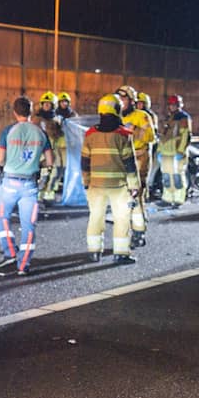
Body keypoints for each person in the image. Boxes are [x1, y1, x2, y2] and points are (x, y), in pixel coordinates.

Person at [0, 96, 53, 275]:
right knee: (29, 226)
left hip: (10, 183)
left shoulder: (8, 131)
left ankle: (10, 252)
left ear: (14, 112)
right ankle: (23, 265)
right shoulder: (40, 133)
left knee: (2, 216)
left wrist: (11, 162)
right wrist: (35, 164)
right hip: (30, 186)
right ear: (31, 111)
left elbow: (0, 159)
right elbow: (49, 161)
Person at [82, 94, 139, 265]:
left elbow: (84, 161)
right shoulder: (123, 135)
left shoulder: (90, 134)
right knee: (121, 218)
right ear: (117, 110)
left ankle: (94, 252)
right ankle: (120, 253)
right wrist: (134, 186)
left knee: (96, 217)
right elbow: (130, 164)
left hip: (95, 185)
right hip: (118, 186)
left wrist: (86, 181)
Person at [118, 85, 153, 247]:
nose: (121, 102)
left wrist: (134, 130)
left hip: (139, 157)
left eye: (124, 99)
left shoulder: (141, 116)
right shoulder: (115, 117)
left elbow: (150, 136)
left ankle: (139, 232)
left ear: (131, 101)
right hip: (121, 160)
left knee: (135, 195)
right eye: (119, 99)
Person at [159, 94, 192, 207]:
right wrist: (159, 151)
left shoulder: (183, 118)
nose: (172, 107)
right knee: (167, 176)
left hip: (176, 152)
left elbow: (185, 136)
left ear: (178, 105)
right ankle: (167, 198)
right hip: (166, 152)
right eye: (171, 105)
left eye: (174, 105)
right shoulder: (169, 118)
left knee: (177, 176)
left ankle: (178, 199)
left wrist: (181, 151)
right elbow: (163, 136)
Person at [34, 92, 64, 204]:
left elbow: (59, 134)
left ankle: (49, 194)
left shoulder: (57, 120)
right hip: (41, 151)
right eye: (45, 104)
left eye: (49, 104)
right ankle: (39, 195)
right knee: (43, 174)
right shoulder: (37, 119)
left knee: (56, 173)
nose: (46, 106)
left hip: (54, 150)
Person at [136, 92, 161, 200]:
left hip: (147, 146)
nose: (138, 105)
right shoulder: (135, 114)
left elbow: (151, 133)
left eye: (141, 103)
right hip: (137, 146)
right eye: (137, 103)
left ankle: (145, 194)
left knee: (144, 173)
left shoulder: (150, 116)